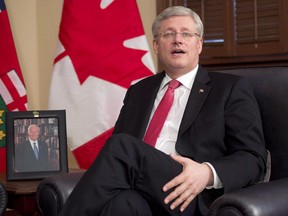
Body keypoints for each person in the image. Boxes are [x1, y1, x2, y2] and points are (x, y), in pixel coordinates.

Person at [59, 6, 267, 216]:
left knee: (121, 146)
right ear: (157, 46)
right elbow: (120, 162)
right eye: (169, 34)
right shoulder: (138, 91)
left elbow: (253, 158)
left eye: (186, 33)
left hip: (189, 193)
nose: (178, 40)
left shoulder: (230, 88)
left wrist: (206, 172)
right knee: (122, 203)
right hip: (141, 191)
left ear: (199, 44)